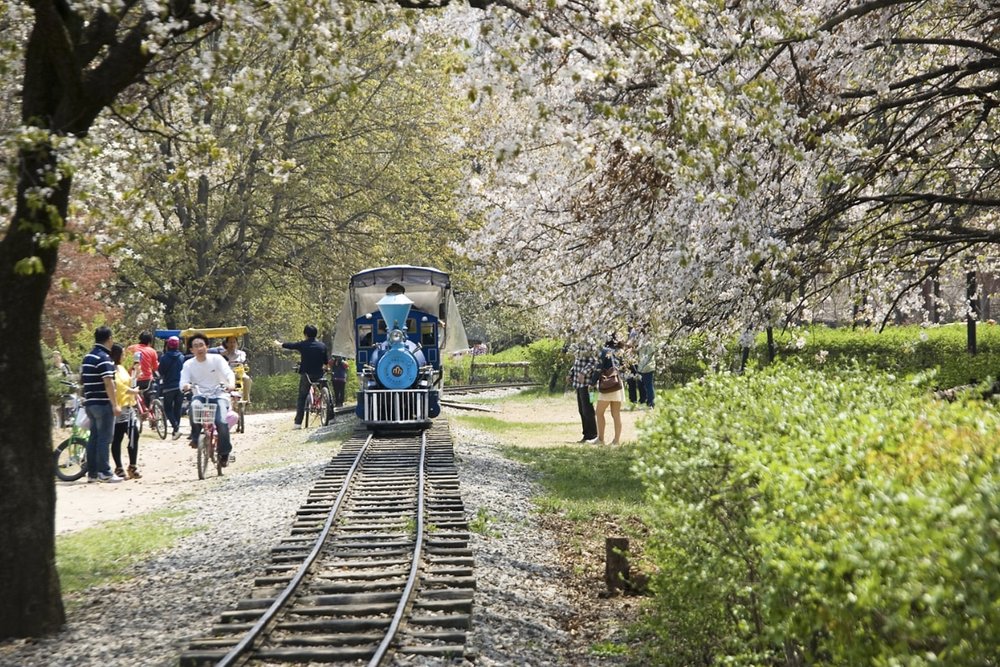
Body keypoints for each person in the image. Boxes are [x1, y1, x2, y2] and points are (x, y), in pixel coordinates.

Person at [181, 332, 237, 465]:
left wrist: (231, 384)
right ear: (191, 350)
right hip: (200, 395)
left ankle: (224, 453)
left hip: (219, 395)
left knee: (222, 422)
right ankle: (195, 437)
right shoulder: (188, 364)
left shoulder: (217, 359)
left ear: (207, 346)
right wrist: (186, 386)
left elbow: (228, 373)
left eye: (201, 345)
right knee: (194, 408)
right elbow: (183, 380)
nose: (199, 348)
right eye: (195, 346)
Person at [80, 326, 123, 483]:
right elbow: (108, 383)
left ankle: (92, 473)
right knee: (105, 438)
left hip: (90, 402)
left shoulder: (87, 357)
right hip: (103, 403)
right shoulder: (104, 358)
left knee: (94, 438)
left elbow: (82, 380)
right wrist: (115, 404)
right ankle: (105, 472)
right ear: (109, 338)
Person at [274, 324, 329, 429]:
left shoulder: (303, 345)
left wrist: (279, 344)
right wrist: (326, 368)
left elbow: (291, 345)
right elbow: (326, 362)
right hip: (319, 374)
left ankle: (298, 423)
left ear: (306, 334)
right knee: (327, 394)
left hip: (306, 375)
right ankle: (331, 417)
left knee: (302, 398)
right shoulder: (322, 346)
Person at [109, 344, 141, 479]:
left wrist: (136, 375)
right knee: (117, 438)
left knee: (134, 434)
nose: (124, 356)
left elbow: (128, 382)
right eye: (122, 353)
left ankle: (132, 466)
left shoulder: (121, 368)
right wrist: (132, 391)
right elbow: (118, 386)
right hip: (118, 406)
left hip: (129, 406)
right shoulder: (110, 368)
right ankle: (119, 467)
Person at [595, 336, 625, 446]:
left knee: (599, 412)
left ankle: (601, 439)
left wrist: (592, 382)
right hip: (617, 384)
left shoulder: (605, 350)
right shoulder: (620, 352)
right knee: (616, 414)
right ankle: (616, 441)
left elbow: (598, 367)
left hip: (607, 385)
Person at [567, 346, 599, 444]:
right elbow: (577, 362)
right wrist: (571, 373)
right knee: (582, 410)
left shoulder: (590, 344)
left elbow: (594, 362)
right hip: (579, 384)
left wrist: (583, 373)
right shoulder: (579, 344)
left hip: (588, 384)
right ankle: (586, 434)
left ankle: (592, 434)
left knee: (588, 410)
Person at [159, 336, 185, 439]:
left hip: (168, 387)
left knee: (167, 408)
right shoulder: (182, 357)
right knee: (177, 408)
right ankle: (176, 431)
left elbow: (161, 371)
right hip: (180, 387)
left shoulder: (164, 358)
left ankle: (175, 427)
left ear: (167, 346)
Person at [214, 335, 252, 402]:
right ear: (227, 344)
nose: (232, 344)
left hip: (238, 373)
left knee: (247, 379)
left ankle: (246, 400)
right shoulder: (223, 354)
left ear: (237, 344)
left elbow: (242, 360)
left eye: (234, 342)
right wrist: (223, 355)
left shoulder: (241, 353)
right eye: (230, 342)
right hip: (226, 374)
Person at [127, 331, 159, 408]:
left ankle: (138, 412)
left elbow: (126, 363)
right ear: (150, 341)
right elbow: (155, 367)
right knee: (149, 395)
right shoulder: (152, 351)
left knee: (133, 398)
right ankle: (151, 411)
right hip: (147, 380)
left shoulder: (131, 348)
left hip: (134, 379)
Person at [636, 329, 656, 409]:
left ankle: (651, 403)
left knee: (649, 386)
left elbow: (650, 355)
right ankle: (643, 400)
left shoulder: (649, 344)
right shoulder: (641, 344)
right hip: (641, 367)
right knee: (641, 385)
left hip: (648, 367)